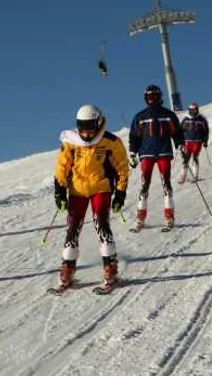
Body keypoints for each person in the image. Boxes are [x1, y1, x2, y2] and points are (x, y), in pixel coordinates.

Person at [54, 105, 129, 292]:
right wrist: (60, 191)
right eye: (82, 127)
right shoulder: (71, 141)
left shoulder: (110, 141)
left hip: (100, 188)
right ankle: (67, 269)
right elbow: (62, 167)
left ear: (98, 123)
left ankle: (110, 268)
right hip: (77, 190)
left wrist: (120, 193)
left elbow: (122, 168)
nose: (86, 133)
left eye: (89, 127)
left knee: (101, 223)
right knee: (73, 227)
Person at [129, 85, 184, 230]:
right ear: (146, 99)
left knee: (166, 183)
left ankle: (169, 216)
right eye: (149, 97)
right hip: (146, 153)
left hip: (163, 152)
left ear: (160, 97)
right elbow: (134, 136)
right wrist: (133, 153)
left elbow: (177, 132)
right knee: (144, 185)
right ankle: (140, 217)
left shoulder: (168, 115)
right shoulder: (140, 116)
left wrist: (180, 144)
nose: (152, 99)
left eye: (155, 97)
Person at [178, 102, 209, 183]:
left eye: (195, 110)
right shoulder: (186, 119)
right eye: (192, 111)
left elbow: (206, 131)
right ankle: (182, 176)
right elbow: (180, 131)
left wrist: (205, 140)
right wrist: (180, 142)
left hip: (198, 141)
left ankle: (195, 175)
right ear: (189, 110)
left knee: (195, 156)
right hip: (188, 141)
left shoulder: (201, 119)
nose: (194, 112)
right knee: (186, 158)